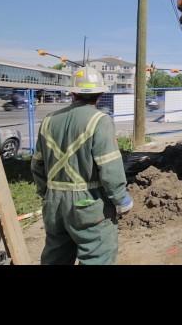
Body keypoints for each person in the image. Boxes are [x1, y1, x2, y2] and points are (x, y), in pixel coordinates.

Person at [31, 66, 133, 265]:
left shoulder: (49, 120)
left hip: (54, 203)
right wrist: (121, 200)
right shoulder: (99, 121)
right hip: (88, 204)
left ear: (73, 92)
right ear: (101, 93)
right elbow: (110, 169)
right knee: (97, 256)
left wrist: (46, 193)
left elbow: (37, 165)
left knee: (56, 257)